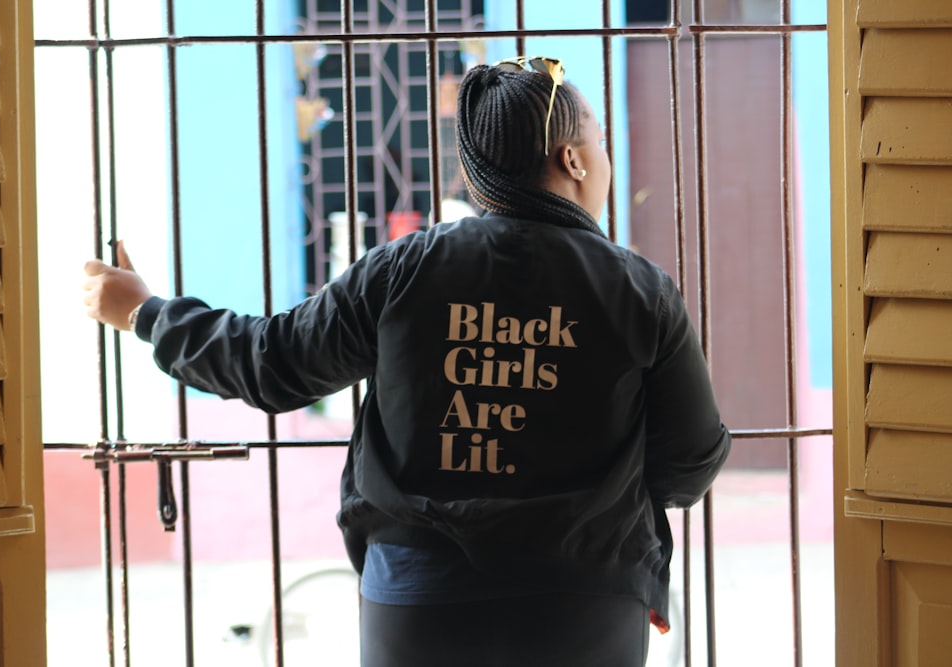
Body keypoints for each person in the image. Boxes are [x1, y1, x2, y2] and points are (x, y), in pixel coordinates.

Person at [84, 57, 731, 667]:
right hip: (586, 605)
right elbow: (693, 461)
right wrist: (616, 496)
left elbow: (272, 361)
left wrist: (146, 313)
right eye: (601, 143)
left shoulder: (404, 270)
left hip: (420, 603)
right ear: (574, 161)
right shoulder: (640, 291)